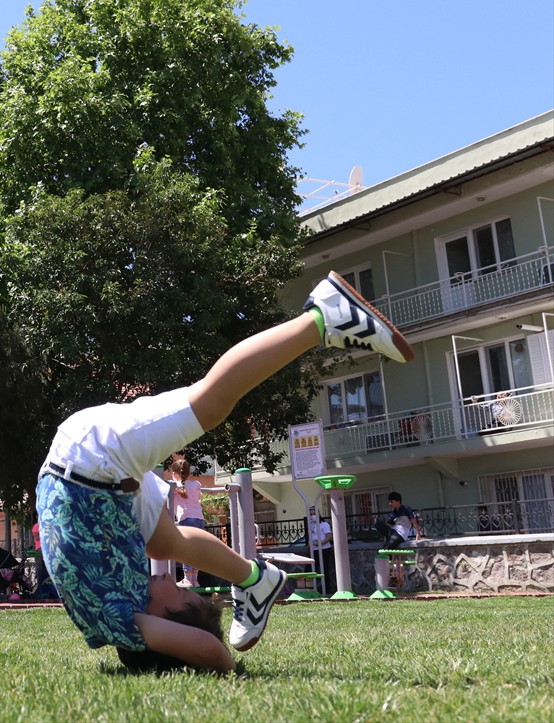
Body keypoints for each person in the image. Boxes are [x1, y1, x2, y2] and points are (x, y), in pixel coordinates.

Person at [36, 272, 415, 673]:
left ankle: (323, 318)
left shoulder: (118, 623)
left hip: (91, 458)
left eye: (187, 599)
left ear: (164, 622)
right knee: (163, 543)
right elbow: (193, 634)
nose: (184, 588)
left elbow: (207, 650)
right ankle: (255, 578)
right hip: (98, 486)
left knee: (211, 401)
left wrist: (227, 671)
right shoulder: (123, 603)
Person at [168, 457, 225, 588]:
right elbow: (198, 497)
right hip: (199, 519)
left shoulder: (174, 487)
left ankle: (188, 579)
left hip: (186, 520)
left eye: (172, 473)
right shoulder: (196, 484)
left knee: (186, 549)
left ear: (175, 474)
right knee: (196, 549)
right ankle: (194, 580)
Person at [307, 506, 336, 594]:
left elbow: (329, 536)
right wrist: (308, 548)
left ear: (319, 513)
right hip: (313, 550)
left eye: (314, 513)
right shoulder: (311, 525)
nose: (313, 516)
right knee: (310, 570)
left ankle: (326, 591)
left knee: (324, 570)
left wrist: (320, 543)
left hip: (324, 550)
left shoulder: (324, 524)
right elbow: (310, 537)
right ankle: (310, 590)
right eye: (311, 514)